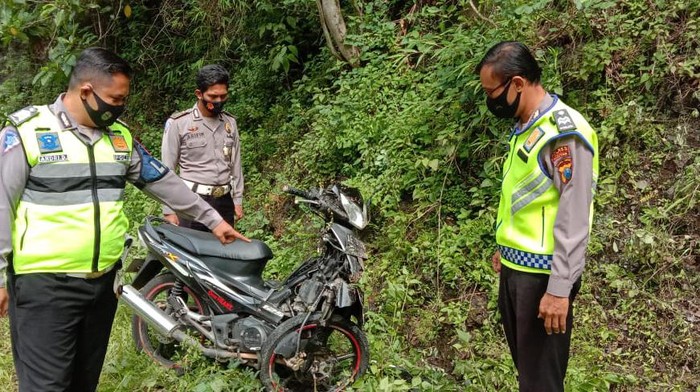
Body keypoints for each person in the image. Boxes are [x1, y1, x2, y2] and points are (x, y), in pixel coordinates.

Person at [0, 47, 249, 392]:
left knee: (83, 382)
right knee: (46, 386)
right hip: (44, 286)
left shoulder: (120, 138)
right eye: (114, 99)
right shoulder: (28, 132)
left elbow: (164, 182)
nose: (120, 107)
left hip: (101, 286)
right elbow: (1, 203)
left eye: (123, 100)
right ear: (86, 91)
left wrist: (214, 220)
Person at [476, 41, 599, 392]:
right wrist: (506, 247)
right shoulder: (529, 125)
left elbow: (574, 216)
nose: (490, 101)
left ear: (517, 84)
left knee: (541, 381)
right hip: (517, 272)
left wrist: (559, 290)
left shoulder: (564, 133)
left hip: (543, 280)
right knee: (529, 374)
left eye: (492, 92)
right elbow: (526, 201)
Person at [161, 64, 244, 232]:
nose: (219, 101)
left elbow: (235, 164)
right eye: (213, 96)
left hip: (224, 202)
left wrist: (237, 200)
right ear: (199, 94)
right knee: (192, 252)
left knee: (223, 253)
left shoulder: (230, 123)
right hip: (192, 200)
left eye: (223, 96)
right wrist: (168, 209)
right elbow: (167, 169)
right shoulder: (179, 123)